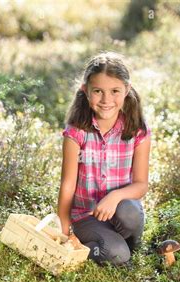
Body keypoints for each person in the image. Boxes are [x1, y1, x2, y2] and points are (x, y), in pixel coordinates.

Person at [57, 51, 151, 267]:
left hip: (120, 211)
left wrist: (114, 196)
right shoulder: (76, 132)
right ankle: (93, 247)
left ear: (126, 90)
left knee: (130, 211)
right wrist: (64, 227)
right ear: (85, 91)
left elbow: (141, 185)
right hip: (86, 216)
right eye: (98, 91)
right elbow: (68, 184)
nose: (106, 100)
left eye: (115, 91)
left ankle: (132, 247)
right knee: (116, 254)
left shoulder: (137, 131)